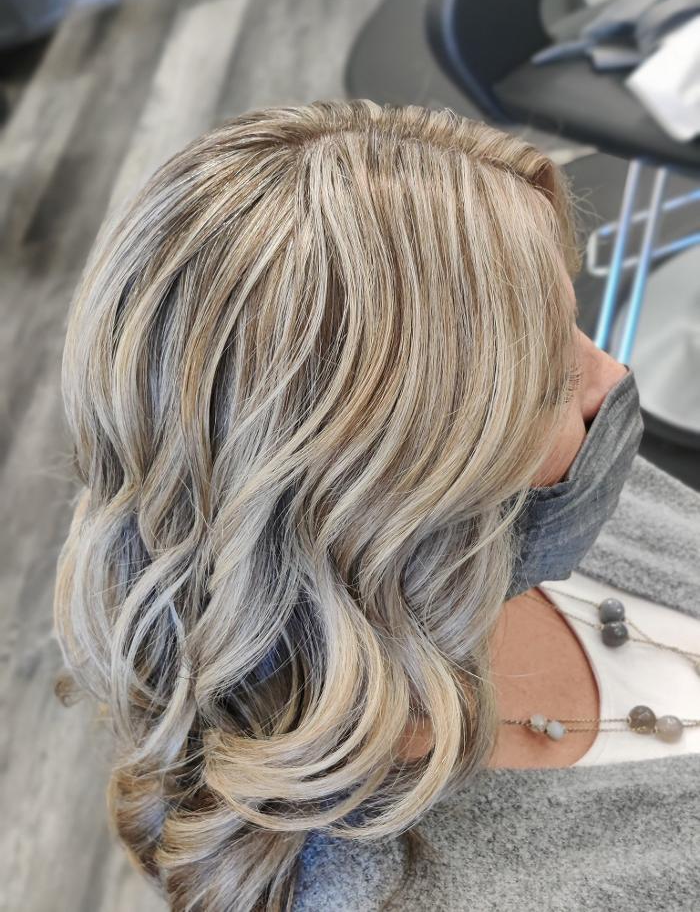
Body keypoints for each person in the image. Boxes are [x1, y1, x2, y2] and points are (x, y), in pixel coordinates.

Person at [53, 100, 700, 912]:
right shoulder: (415, 891)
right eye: (551, 381)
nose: (611, 374)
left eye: (571, 329)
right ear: (393, 501)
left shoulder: (535, 502)